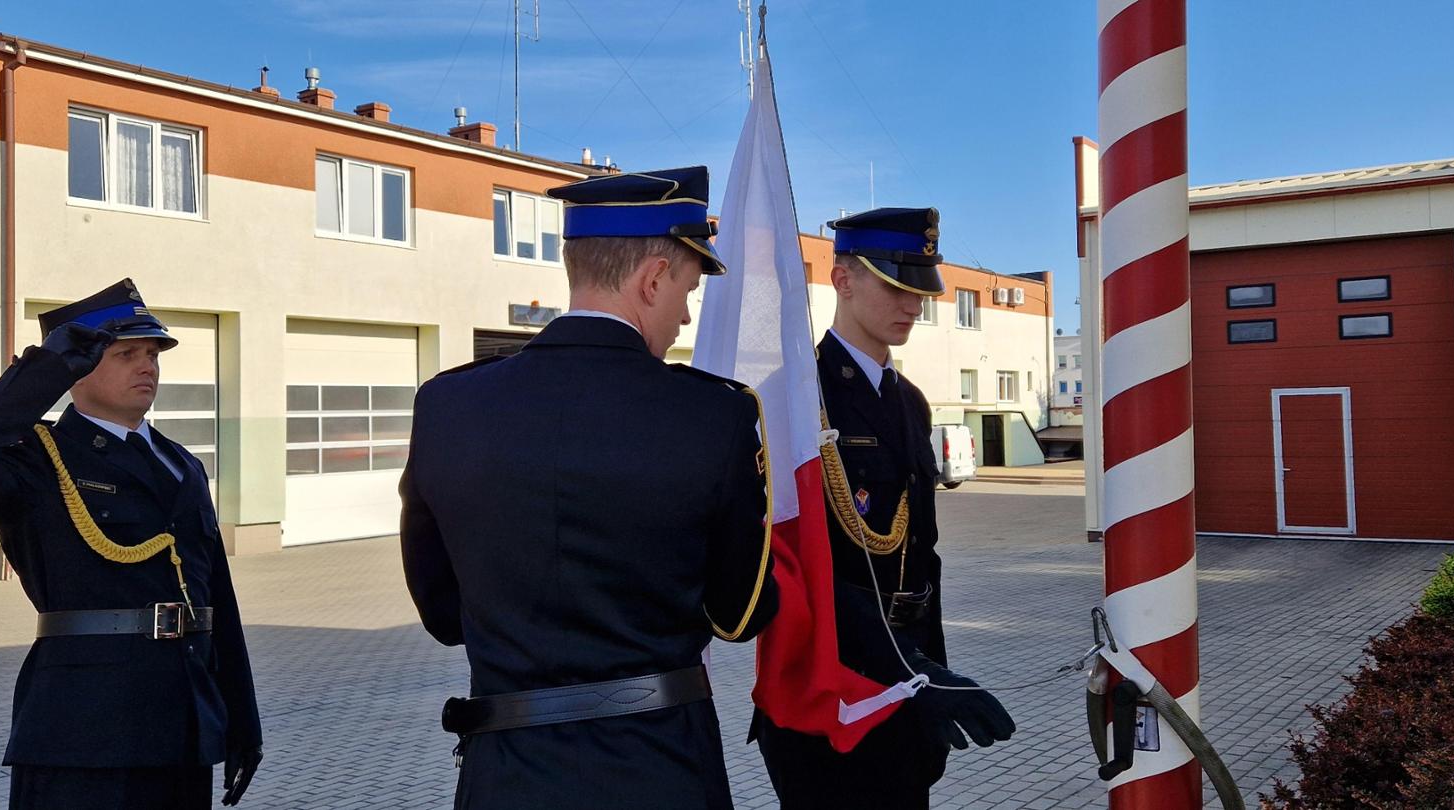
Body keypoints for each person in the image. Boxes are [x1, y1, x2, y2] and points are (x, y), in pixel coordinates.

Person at [400, 166, 777, 810]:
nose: (686, 316)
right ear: (653, 278)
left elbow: (442, 615)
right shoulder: (716, 413)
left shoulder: (446, 405)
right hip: (660, 766)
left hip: (506, 773)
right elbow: (740, 613)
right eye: (687, 289)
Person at [0, 279, 262, 809]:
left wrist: (238, 718)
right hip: (82, 730)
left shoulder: (181, 464)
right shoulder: (38, 459)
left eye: (152, 354)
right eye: (126, 354)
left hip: (181, 727)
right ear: (79, 366)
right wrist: (39, 375)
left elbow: (216, 601)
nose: (148, 366)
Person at [752, 208, 1015, 809]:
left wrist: (932, 668)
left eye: (919, 289)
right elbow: (792, 564)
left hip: (910, 678)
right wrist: (910, 668)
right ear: (843, 279)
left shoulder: (911, 402)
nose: (912, 304)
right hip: (835, 686)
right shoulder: (796, 397)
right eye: (896, 285)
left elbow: (924, 554)